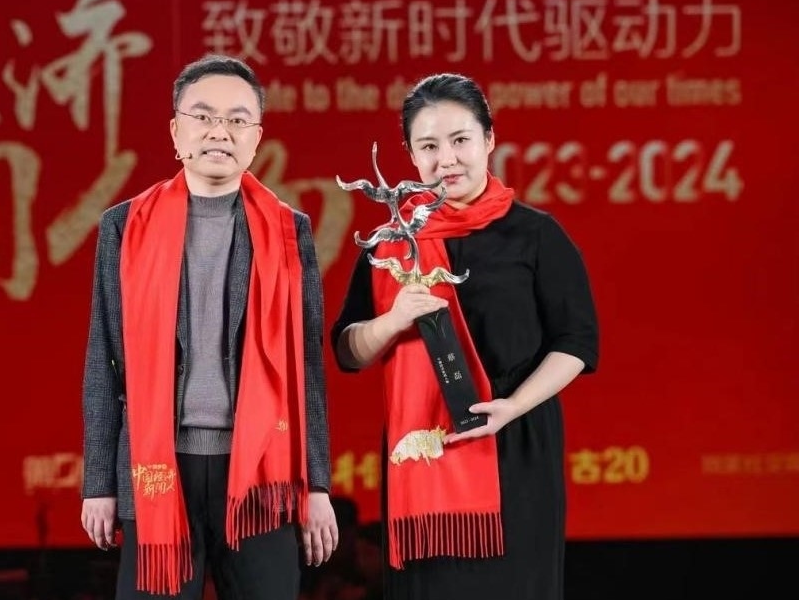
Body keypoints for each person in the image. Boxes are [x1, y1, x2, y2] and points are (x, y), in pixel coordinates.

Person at [330, 72, 599, 600]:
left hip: (514, 445)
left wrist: (513, 405)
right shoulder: (390, 244)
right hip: (423, 453)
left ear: (489, 140)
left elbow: (576, 342)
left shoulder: (535, 234)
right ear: (411, 154)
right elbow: (347, 350)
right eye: (429, 146)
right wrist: (392, 320)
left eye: (460, 140)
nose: (446, 160)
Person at [81, 53, 338, 600]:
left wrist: (316, 484)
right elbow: (103, 359)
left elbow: (307, 369)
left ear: (256, 137)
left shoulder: (289, 232)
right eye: (202, 116)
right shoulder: (123, 227)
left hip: (262, 472)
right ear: (176, 131)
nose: (219, 131)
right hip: (158, 465)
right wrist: (98, 482)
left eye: (237, 119)